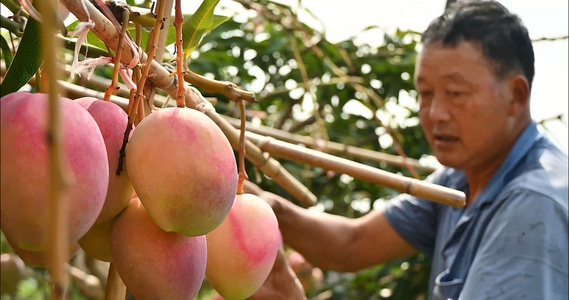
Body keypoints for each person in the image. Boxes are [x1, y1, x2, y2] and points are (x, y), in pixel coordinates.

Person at [246, 1, 569, 299]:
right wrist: (264, 207)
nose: (435, 113)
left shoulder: (532, 204)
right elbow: (352, 245)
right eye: (425, 93)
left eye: (455, 93)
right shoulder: (460, 180)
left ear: (515, 95)